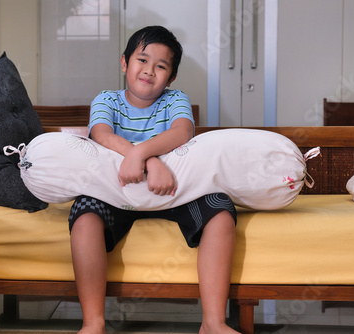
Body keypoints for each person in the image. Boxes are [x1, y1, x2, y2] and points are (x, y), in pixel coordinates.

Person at [68, 25, 240, 334]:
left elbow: (183, 132)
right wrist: (145, 158)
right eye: (142, 60)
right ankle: (93, 323)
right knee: (84, 215)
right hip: (118, 194)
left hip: (171, 192)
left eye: (161, 66)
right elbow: (101, 134)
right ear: (124, 63)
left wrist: (142, 154)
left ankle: (213, 322)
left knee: (221, 208)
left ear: (171, 77)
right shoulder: (107, 100)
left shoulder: (175, 100)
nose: (149, 71)